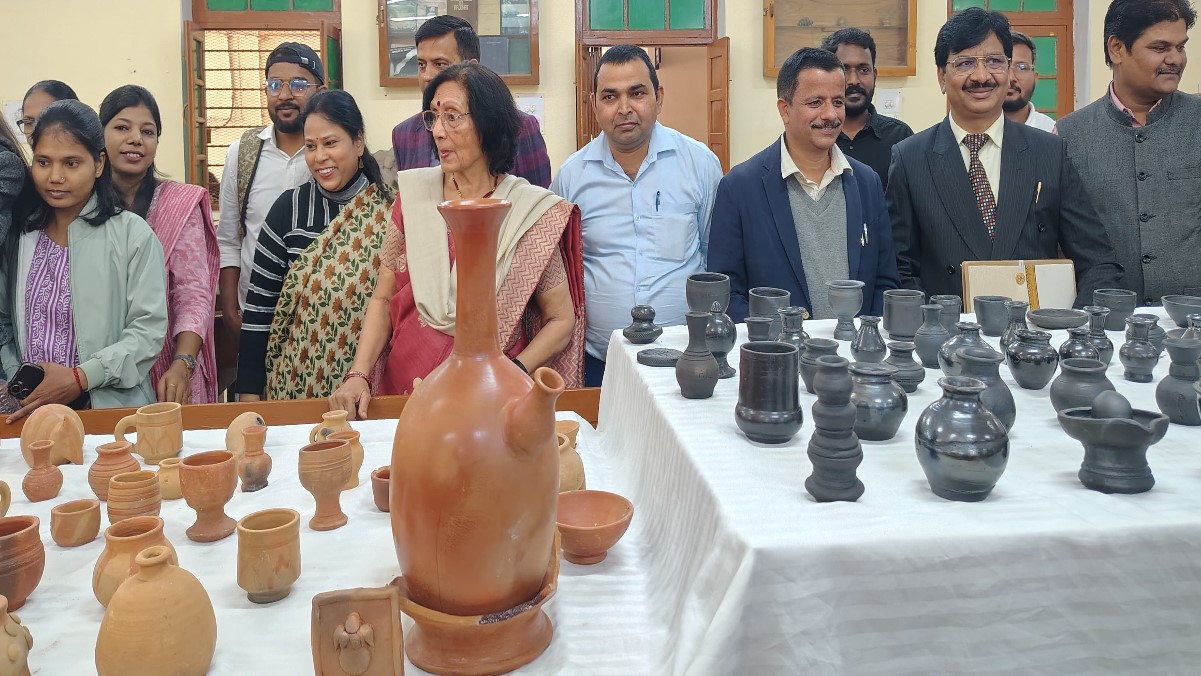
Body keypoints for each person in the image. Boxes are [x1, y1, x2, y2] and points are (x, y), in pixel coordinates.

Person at [330, 63, 585, 417]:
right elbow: (383, 296)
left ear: (488, 124)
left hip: (490, 402)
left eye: (452, 117)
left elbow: (561, 320)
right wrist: (358, 374)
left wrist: (514, 372)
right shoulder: (415, 198)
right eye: (433, 117)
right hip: (406, 392)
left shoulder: (528, 211)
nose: (437, 131)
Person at [886, 8, 1123, 307]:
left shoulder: (1049, 152)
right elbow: (900, 270)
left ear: (1009, 70)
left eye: (995, 61)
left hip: (1038, 339)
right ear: (941, 77)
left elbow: (1098, 262)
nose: (982, 76)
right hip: (949, 340)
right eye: (965, 63)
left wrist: (1069, 327)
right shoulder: (910, 159)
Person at [551, 45, 721, 386]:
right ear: (594, 104)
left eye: (637, 93)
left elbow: (710, 254)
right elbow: (562, 271)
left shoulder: (699, 164)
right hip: (599, 362)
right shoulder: (572, 177)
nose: (625, 108)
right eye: (610, 96)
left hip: (685, 357)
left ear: (659, 97)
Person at [0, 100, 167, 420]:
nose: (55, 176)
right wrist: (20, 381)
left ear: (99, 164)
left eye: (72, 163)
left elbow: (147, 333)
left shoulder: (132, 235)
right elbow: (4, 320)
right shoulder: (21, 236)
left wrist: (80, 378)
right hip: (31, 415)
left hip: (110, 415)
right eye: (44, 162)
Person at [708, 48, 899, 322]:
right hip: (776, 355)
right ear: (785, 110)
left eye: (838, 101)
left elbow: (885, 283)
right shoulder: (739, 188)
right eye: (815, 102)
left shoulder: (867, 183)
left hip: (854, 356)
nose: (830, 115)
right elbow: (727, 293)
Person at [236, 90, 395, 401]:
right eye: (310, 147)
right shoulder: (288, 210)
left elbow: (396, 306)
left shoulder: (390, 212)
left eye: (330, 143)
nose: (319, 156)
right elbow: (259, 309)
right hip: (295, 391)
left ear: (358, 142)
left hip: (371, 393)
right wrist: (249, 393)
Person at [1057, 0, 1200, 304]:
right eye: (1160, 48)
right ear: (1117, 49)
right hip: (1108, 324)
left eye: (1181, 47)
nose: (1175, 59)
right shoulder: (1068, 135)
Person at [100, 85, 219, 404]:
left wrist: (183, 363)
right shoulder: (85, 206)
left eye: (147, 131)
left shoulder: (177, 204)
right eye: (122, 127)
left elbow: (192, 293)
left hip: (169, 371)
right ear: (100, 135)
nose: (135, 138)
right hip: (101, 371)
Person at [216, 42, 325, 353]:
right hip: (255, 316)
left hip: (321, 319)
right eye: (275, 84)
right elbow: (229, 239)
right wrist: (231, 313)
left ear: (321, 89)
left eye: (299, 84)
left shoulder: (330, 154)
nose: (285, 94)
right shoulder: (244, 153)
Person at [391, 15, 551, 188]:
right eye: (421, 64)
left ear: (471, 67)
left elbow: (538, 205)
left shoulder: (519, 127)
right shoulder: (404, 134)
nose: (427, 76)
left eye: (440, 64)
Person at [820, 28, 914, 190]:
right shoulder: (817, 135)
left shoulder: (900, 137)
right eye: (844, 69)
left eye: (863, 70)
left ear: (874, 75)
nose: (854, 81)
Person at [1003, 31, 1056, 132]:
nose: (1011, 77)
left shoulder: (1051, 131)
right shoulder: (971, 132)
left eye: (1021, 67)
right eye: (1003, 66)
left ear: (1035, 77)